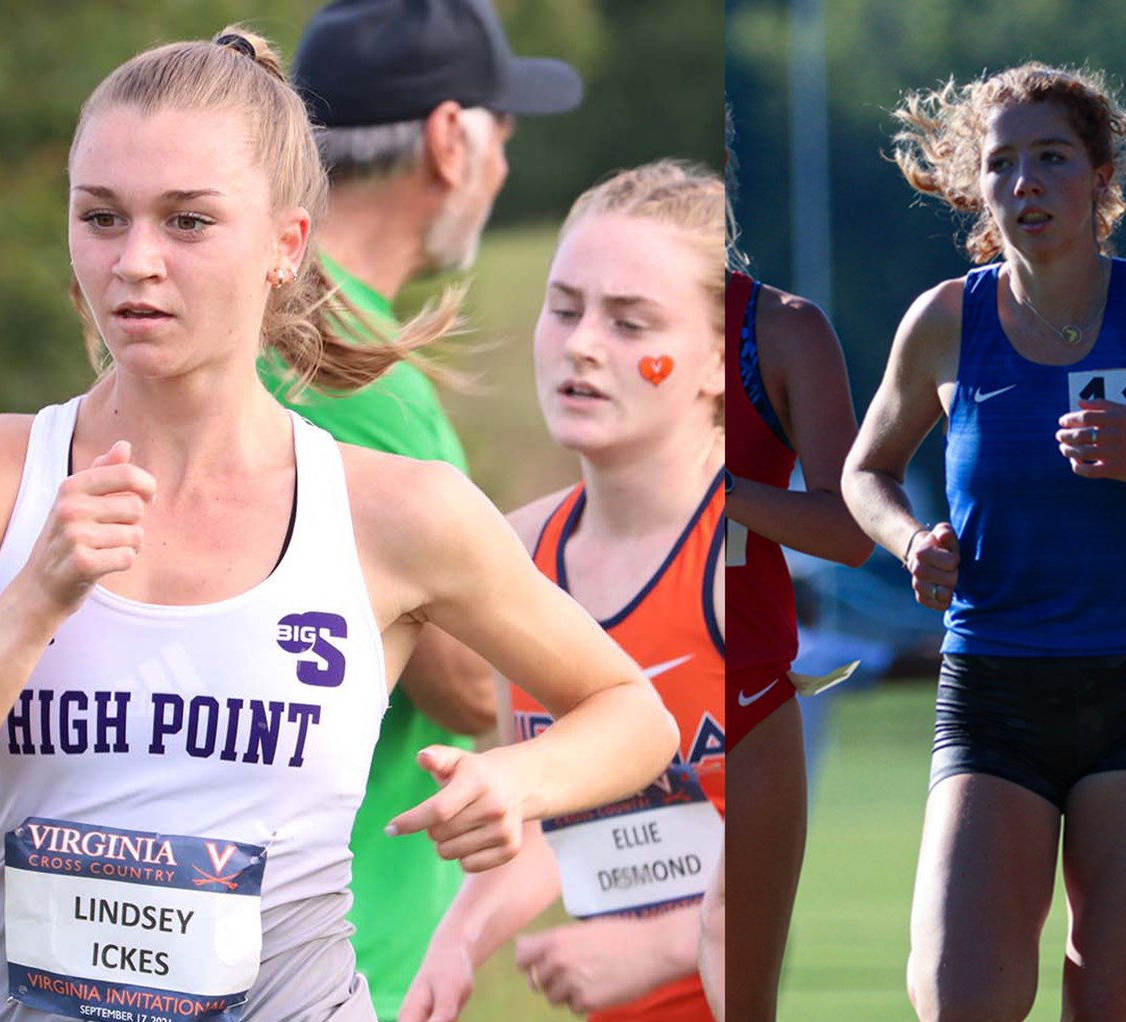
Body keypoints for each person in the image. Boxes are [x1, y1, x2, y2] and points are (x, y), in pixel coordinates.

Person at [0, 28, 676, 1022]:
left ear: (285, 244)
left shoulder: (393, 508)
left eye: (186, 221)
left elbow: (630, 708)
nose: (134, 262)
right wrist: (27, 607)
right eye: (100, 217)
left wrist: (521, 777)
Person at [843, 62, 1126, 1021]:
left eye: (1052, 158)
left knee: (1105, 1004)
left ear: (1100, 177)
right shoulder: (944, 321)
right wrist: (912, 537)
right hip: (994, 681)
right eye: (1003, 164)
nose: (1027, 184)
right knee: (958, 995)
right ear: (979, 186)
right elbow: (862, 472)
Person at [281, 1, 584, 1011]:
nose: (501, 166)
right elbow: (472, 684)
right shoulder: (358, 373)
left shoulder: (245, 323)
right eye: (501, 131)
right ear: (451, 140)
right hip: (338, 944)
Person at [399, 160, 727, 1022]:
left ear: (720, 361)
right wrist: (458, 943)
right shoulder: (514, 552)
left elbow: (822, 849)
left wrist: (663, 947)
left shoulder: (746, 555)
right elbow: (562, 820)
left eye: (631, 322)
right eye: (566, 307)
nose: (583, 344)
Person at [719, 104, 875, 1021]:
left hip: (746, 701)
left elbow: (851, 530)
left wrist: (720, 493)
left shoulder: (781, 329)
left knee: (741, 1001)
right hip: (618, 692)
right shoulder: (602, 326)